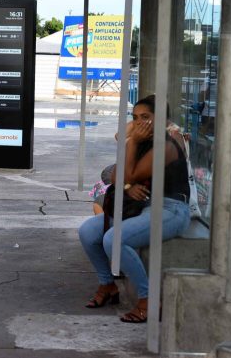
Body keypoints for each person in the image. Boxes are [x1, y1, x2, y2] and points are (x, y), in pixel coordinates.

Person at [77, 95, 191, 323]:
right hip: (142, 207)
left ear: (161, 120)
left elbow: (131, 174)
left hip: (171, 210)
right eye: (135, 117)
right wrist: (128, 186)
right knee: (88, 232)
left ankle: (147, 300)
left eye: (146, 117)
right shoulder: (141, 141)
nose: (139, 123)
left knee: (113, 239)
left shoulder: (168, 144)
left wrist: (131, 143)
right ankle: (107, 285)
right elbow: (117, 178)